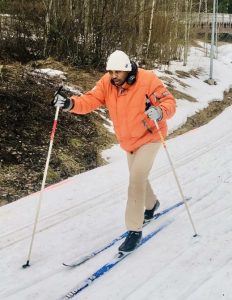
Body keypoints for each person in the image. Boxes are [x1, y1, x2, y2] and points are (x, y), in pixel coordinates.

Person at [52, 50, 176, 252]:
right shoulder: (107, 83)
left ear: (127, 70)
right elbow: (90, 100)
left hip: (151, 136)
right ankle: (152, 204)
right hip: (129, 141)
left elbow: (169, 102)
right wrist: (69, 103)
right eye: (110, 72)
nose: (113, 76)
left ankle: (134, 230)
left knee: (135, 180)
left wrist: (160, 111)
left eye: (117, 72)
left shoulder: (147, 80)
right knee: (139, 178)